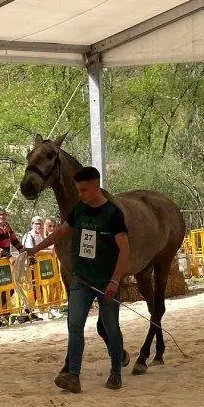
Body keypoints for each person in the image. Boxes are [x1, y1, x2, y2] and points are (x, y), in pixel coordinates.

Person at [28, 166, 129, 393]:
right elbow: (61, 232)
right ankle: (73, 374)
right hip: (81, 279)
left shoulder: (113, 214)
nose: (80, 194)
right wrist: (36, 248)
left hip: (105, 282)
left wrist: (114, 281)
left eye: (83, 190)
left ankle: (116, 371)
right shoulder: (79, 209)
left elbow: (124, 251)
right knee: (74, 325)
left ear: (95, 186)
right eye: (77, 190)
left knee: (111, 327)